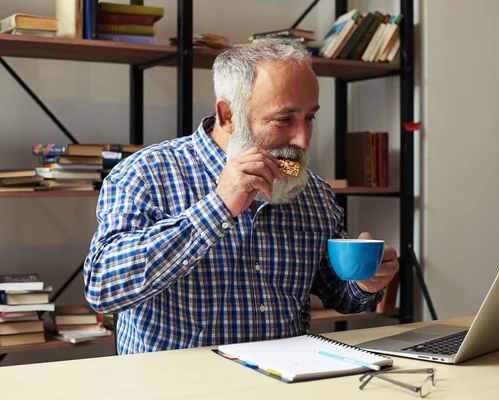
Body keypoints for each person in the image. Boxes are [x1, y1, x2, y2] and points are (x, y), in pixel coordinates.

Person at [83, 38, 399, 355]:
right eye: (285, 119)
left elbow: (339, 295)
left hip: (286, 382)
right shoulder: (144, 173)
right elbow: (103, 289)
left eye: (310, 117)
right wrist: (217, 207)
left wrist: (365, 283)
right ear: (228, 115)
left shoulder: (314, 191)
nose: (303, 139)